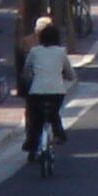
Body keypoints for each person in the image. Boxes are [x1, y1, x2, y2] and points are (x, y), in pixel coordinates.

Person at [22, 18, 75, 159]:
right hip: (57, 92)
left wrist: (29, 78)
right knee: (54, 113)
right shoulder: (61, 52)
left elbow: (26, 71)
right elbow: (70, 73)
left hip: (37, 92)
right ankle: (59, 134)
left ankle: (31, 143)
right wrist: (67, 76)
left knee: (35, 119)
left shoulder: (34, 51)